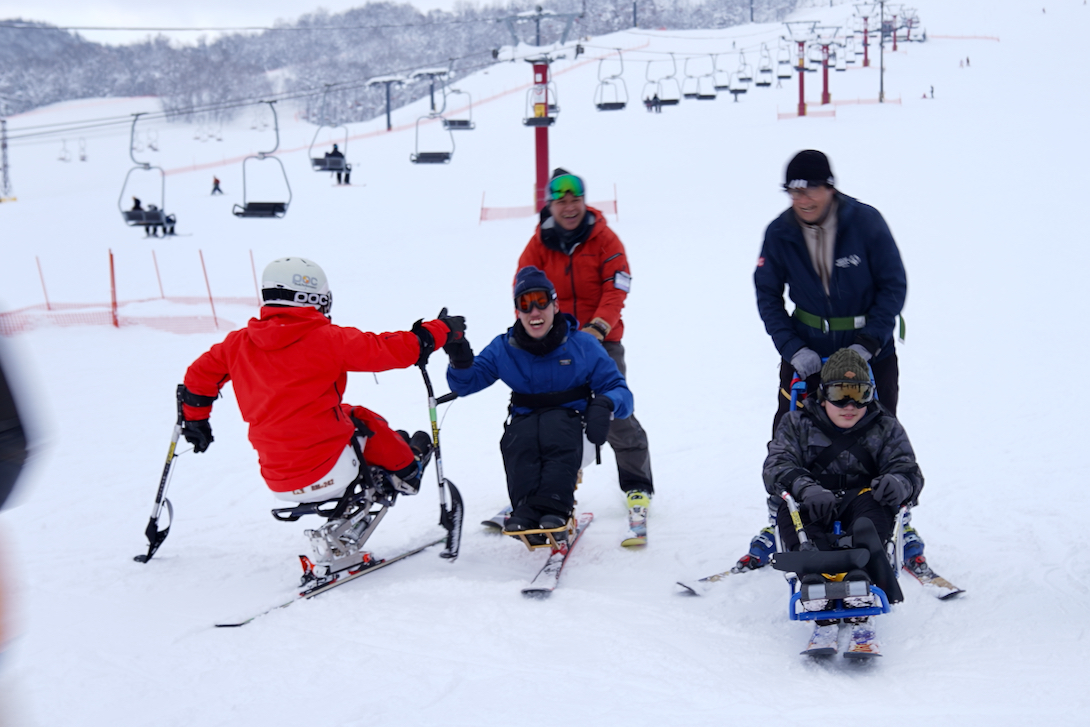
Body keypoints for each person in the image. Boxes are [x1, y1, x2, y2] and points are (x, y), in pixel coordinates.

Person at [180, 256, 465, 564]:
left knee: (341, 412)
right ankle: (408, 471)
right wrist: (439, 330)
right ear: (314, 298)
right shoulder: (328, 339)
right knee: (361, 419)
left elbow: (198, 379)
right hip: (328, 467)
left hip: (278, 476)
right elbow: (390, 350)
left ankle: (391, 464)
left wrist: (196, 422)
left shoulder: (236, 344)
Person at [735, 149, 916, 572]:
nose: (803, 199)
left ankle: (887, 508)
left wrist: (869, 343)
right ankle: (788, 507)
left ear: (829, 187)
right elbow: (767, 295)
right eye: (794, 191)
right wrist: (792, 348)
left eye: (811, 189)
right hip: (807, 352)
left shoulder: (865, 222)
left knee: (877, 430)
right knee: (789, 430)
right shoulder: (781, 232)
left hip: (870, 349)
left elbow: (893, 285)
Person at [446, 267, 633, 534]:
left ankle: (555, 506)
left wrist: (606, 403)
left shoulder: (582, 345)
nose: (534, 312)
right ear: (517, 311)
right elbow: (465, 384)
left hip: (576, 434)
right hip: (527, 432)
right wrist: (460, 359)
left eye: (541, 301)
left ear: (555, 305)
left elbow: (620, 391)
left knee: (554, 425)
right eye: (525, 304)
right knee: (519, 436)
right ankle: (525, 507)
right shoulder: (504, 348)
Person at [516, 169, 654, 530]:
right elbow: (524, 291)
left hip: (601, 341)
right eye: (561, 201)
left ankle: (637, 485)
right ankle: (541, 493)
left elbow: (616, 288)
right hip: (555, 344)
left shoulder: (605, 239)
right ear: (550, 206)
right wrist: (536, 332)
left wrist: (598, 327)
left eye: (575, 199)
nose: (569, 207)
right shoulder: (538, 245)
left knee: (613, 413)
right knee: (547, 419)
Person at [763, 349, 922, 643]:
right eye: (840, 394)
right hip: (812, 498)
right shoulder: (797, 423)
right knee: (795, 512)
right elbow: (778, 464)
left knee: (873, 513)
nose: (850, 405)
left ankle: (861, 575)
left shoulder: (885, 426)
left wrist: (898, 483)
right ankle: (814, 577)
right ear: (823, 395)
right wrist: (805, 487)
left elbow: (907, 469)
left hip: (862, 497)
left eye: (860, 395)